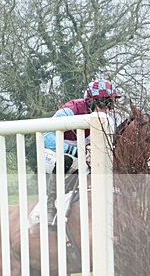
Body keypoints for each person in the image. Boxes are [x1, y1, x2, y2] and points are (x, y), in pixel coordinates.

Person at [42, 78, 121, 226]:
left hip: (83, 151)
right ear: (90, 101)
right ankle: (50, 206)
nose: (107, 109)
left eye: (110, 103)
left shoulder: (108, 119)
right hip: (55, 148)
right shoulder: (71, 109)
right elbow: (47, 136)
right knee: (66, 160)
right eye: (103, 103)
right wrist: (74, 150)